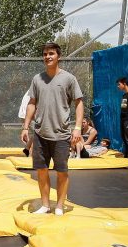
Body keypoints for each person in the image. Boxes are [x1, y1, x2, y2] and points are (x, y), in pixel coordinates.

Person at [20, 43, 84, 215]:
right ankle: (45, 204)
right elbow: (32, 103)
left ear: (58, 56)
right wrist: (26, 127)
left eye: (51, 54)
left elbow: (79, 103)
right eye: (45, 54)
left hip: (61, 134)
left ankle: (60, 206)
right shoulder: (37, 79)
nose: (47, 57)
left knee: (62, 172)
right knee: (41, 170)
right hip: (40, 133)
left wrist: (77, 128)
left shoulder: (69, 79)